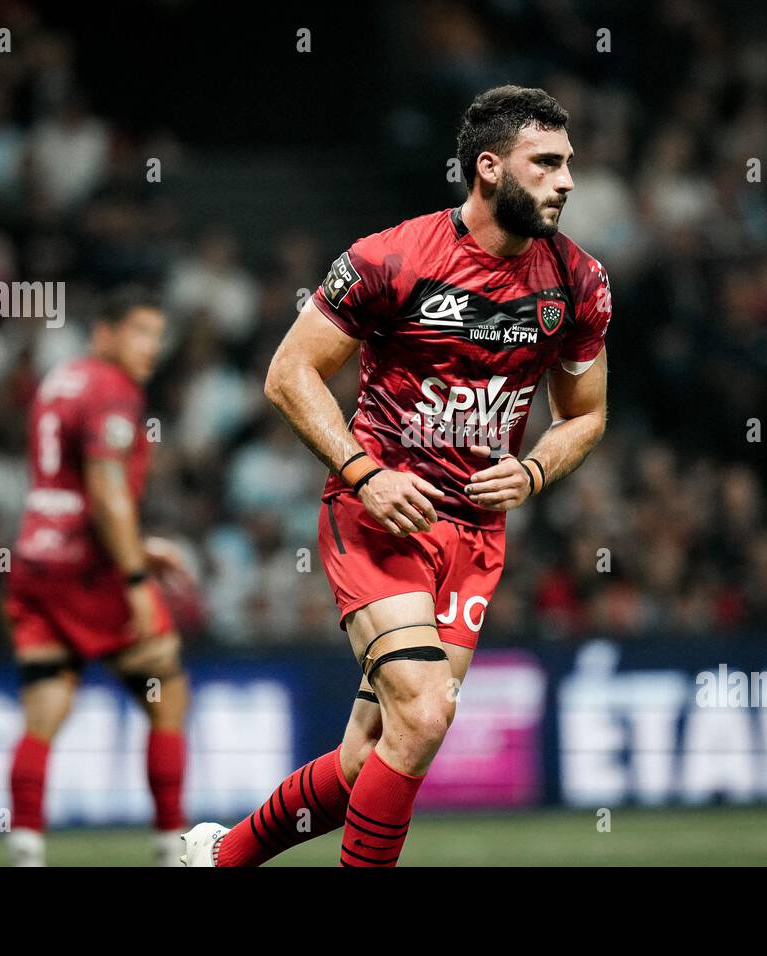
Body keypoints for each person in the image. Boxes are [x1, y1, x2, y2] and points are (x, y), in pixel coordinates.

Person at [183, 84, 611, 867]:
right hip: (380, 516)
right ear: (488, 168)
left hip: (476, 534)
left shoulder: (578, 282)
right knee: (424, 713)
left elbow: (585, 414)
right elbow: (288, 373)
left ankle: (218, 859)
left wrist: (535, 471)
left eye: (568, 163)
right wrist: (364, 472)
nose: (567, 181)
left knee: (367, 757)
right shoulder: (392, 257)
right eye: (546, 163)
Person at [3, 287, 192, 866]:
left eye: (158, 336)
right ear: (104, 332)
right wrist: (136, 578)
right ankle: (170, 845)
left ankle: (26, 849)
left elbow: (69, 488)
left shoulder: (60, 379)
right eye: (139, 333)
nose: (151, 349)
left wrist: (139, 545)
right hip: (94, 575)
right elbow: (108, 495)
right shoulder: (115, 389)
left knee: (46, 709)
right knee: (168, 695)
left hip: (36, 561)